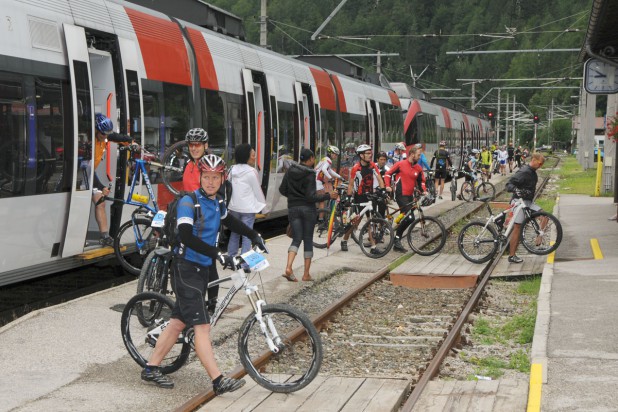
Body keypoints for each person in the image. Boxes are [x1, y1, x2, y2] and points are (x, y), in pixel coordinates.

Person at [141, 154, 267, 393]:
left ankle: (151, 367)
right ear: (199, 177)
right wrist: (218, 253)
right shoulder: (190, 202)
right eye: (206, 177)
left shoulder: (217, 202)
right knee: (202, 326)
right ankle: (218, 380)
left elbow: (230, 221)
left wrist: (253, 235)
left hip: (204, 269)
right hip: (186, 267)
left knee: (178, 321)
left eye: (215, 177)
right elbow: (187, 235)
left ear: (222, 179)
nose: (210, 182)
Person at [279, 148, 337, 282]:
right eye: (313, 158)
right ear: (310, 159)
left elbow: (283, 189)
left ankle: (288, 268)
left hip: (293, 208)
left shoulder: (290, 170)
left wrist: (294, 197)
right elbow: (311, 197)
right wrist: (328, 195)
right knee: (308, 240)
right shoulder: (310, 173)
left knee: (296, 238)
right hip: (308, 210)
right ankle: (306, 274)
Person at [92, 113, 136, 246]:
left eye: (107, 134)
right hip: (81, 174)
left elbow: (118, 137)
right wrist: (100, 186)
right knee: (99, 197)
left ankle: (105, 237)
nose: (105, 137)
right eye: (102, 135)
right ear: (95, 130)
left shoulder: (104, 135)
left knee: (100, 202)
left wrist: (132, 142)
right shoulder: (89, 142)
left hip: (89, 173)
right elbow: (85, 169)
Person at [227, 144, 267, 272]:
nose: (254, 157)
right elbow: (257, 191)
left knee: (234, 233)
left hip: (233, 207)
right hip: (248, 209)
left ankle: (231, 260)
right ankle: (245, 264)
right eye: (253, 155)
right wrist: (264, 208)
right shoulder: (251, 172)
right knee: (247, 236)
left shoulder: (232, 170)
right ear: (247, 156)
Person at [340, 144, 385, 253]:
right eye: (368, 153)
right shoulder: (356, 168)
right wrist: (349, 197)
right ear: (361, 155)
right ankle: (344, 239)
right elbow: (350, 185)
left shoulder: (373, 166)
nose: (370, 155)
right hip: (359, 197)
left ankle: (373, 247)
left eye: (371, 153)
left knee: (370, 221)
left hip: (369, 196)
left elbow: (379, 179)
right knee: (357, 222)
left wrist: (383, 190)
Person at [505, 153, 546, 263]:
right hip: (518, 202)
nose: (540, 166)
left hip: (527, 202)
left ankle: (539, 238)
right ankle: (512, 255)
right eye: (540, 163)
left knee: (544, 216)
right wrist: (515, 190)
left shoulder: (533, 173)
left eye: (542, 164)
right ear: (533, 160)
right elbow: (508, 184)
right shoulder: (524, 172)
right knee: (518, 227)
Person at [384, 145, 426, 252]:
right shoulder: (401, 164)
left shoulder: (418, 168)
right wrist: (387, 186)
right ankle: (397, 240)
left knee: (408, 217)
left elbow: (422, 181)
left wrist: (424, 191)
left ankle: (396, 230)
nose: (419, 157)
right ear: (412, 155)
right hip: (400, 194)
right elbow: (388, 174)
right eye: (418, 155)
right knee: (410, 217)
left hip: (410, 196)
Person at [315, 145, 343, 221]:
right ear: (330, 153)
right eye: (335, 154)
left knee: (317, 199)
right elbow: (324, 170)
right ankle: (321, 220)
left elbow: (330, 171)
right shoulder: (328, 160)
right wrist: (331, 179)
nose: (336, 156)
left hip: (315, 181)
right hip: (317, 182)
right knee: (322, 201)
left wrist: (340, 177)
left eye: (337, 155)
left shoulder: (325, 159)